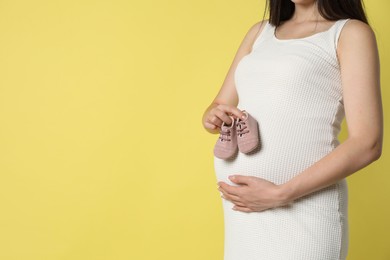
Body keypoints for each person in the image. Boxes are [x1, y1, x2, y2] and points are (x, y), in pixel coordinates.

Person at [201, 0, 383, 259]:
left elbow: (368, 143)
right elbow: (220, 104)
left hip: (305, 215)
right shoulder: (259, 32)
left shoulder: (349, 33)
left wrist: (279, 194)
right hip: (243, 216)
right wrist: (212, 115)